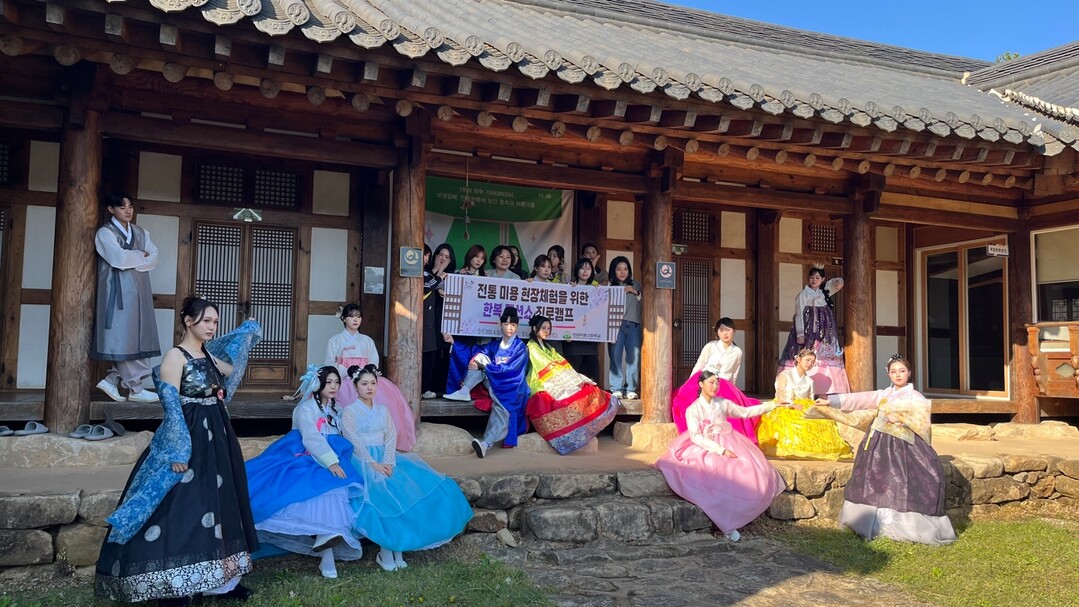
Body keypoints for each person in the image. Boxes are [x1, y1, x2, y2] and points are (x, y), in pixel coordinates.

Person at [96, 298, 262, 606]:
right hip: (188, 433)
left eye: (215, 322)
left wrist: (243, 335)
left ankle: (221, 581)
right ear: (188, 321)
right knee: (179, 505)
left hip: (217, 436)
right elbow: (171, 405)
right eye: (206, 321)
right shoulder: (175, 356)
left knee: (218, 502)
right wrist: (178, 450)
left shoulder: (208, 355)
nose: (212, 327)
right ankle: (171, 586)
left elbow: (233, 370)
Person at [813, 355, 956, 545]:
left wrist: (902, 418)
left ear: (909, 373)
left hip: (904, 447)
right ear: (888, 373)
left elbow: (922, 421)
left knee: (901, 481)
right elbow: (860, 399)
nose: (898, 375)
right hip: (878, 444)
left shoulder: (915, 396)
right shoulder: (885, 394)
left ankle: (905, 526)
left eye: (902, 371)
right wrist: (831, 401)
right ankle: (868, 522)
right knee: (873, 480)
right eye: (893, 371)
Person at [343, 364, 473, 570]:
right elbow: (353, 441)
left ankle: (399, 547)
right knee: (382, 499)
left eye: (373, 383)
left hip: (385, 458)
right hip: (362, 461)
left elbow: (390, 435)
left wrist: (388, 461)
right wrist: (373, 464)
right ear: (355, 386)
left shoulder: (382, 410)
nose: (369, 388)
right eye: (364, 384)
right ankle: (386, 549)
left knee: (404, 491)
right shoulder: (349, 411)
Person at [245, 366, 366, 579]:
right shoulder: (305, 409)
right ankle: (326, 548)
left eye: (336, 382)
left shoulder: (336, 410)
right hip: (304, 455)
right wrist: (331, 462)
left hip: (333, 456)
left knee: (334, 488)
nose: (333, 386)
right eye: (328, 382)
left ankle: (327, 549)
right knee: (317, 485)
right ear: (318, 384)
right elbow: (311, 437)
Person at [655, 368, 784, 542]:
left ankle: (736, 517)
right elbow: (695, 437)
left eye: (717, 382)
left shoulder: (722, 403)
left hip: (729, 440)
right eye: (711, 382)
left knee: (748, 470)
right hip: (706, 445)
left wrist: (772, 405)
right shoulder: (693, 409)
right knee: (714, 473)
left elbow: (745, 412)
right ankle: (725, 523)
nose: (715, 386)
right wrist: (720, 450)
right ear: (701, 384)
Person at [92, 192, 161, 403]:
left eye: (130, 206)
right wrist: (140, 256)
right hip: (116, 292)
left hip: (139, 290)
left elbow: (154, 257)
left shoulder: (141, 232)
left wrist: (132, 258)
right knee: (123, 337)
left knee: (138, 336)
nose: (128, 211)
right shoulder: (105, 233)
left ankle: (112, 380)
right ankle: (135, 388)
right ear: (111, 209)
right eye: (122, 207)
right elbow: (118, 259)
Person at [325, 303, 416, 452]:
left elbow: (373, 360)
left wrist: (367, 371)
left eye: (358, 316)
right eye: (351, 316)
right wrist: (345, 370)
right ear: (343, 319)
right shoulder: (335, 340)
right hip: (344, 378)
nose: (355, 320)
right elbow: (329, 363)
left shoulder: (367, 340)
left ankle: (382, 439)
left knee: (386, 399)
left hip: (365, 377)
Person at [443, 307, 532, 458]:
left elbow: (512, 371)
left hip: (512, 387)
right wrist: (454, 342)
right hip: (493, 381)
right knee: (479, 356)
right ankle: (465, 391)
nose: (510, 328)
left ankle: (486, 443)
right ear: (500, 324)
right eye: (506, 324)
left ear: (517, 327)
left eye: (513, 325)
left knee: (501, 408)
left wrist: (487, 366)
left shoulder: (520, 347)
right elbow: (473, 351)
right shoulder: (494, 345)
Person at [525, 315, 619, 455]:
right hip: (540, 382)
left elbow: (561, 363)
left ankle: (583, 430)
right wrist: (569, 379)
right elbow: (545, 366)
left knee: (588, 388)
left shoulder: (548, 347)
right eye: (543, 328)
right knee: (565, 398)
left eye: (548, 328)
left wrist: (575, 377)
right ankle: (565, 438)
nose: (546, 331)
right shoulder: (532, 346)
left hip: (554, 378)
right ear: (534, 328)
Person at [671, 318, 760, 444]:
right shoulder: (710, 346)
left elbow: (734, 373)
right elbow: (699, 365)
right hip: (705, 379)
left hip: (724, 383)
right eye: (721, 330)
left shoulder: (737, 352)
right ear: (717, 332)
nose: (725, 333)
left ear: (734, 331)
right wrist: (690, 382)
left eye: (728, 330)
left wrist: (733, 391)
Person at [756, 349, 852, 460]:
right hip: (784, 406)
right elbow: (780, 395)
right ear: (798, 359)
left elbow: (810, 399)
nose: (810, 364)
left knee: (819, 422)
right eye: (807, 360)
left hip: (803, 407)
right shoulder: (785, 375)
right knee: (794, 425)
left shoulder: (809, 381)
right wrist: (792, 405)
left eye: (812, 362)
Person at [777, 263, 849, 395]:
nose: (814, 280)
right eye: (811, 277)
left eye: (817, 278)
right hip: (807, 330)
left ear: (822, 279)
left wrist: (839, 282)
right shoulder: (803, 294)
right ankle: (801, 388)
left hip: (825, 331)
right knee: (806, 352)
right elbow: (798, 314)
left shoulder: (824, 291)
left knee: (826, 353)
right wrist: (800, 333)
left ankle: (827, 389)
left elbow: (834, 284)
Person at [423, 243, 455, 399]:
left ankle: (440, 388)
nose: (443, 259)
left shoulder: (453, 277)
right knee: (429, 353)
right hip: (429, 321)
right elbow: (427, 287)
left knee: (443, 354)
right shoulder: (426, 274)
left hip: (446, 320)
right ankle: (426, 387)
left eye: (447, 257)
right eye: (440, 255)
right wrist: (438, 275)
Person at [607, 256, 641, 400]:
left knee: (634, 357)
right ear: (613, 271)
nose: (622, 272)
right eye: (619, 269)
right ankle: (616, 388)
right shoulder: (609, 288)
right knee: (615, 355)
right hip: (616, 325)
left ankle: (631, 388)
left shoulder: (636, 284)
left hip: (633, 325)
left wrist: (633, 291)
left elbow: (641, 299)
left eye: (625, 269)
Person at [562, 258, 602, 381]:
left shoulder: (597, 289)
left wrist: (600, 292)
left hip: (590, 342)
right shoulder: (569, 287)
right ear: (577, 270)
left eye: (588, 269)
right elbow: (563, 311)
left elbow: (600, 313)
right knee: (573, 379)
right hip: (572, 341)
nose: (585, 271)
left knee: (593, 379)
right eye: (582, 268)